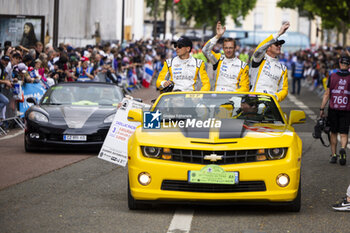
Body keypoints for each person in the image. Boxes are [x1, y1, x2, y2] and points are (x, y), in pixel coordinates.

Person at [202, 21, 249, 92]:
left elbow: (245, 88)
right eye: (226, 48)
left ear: (235, 48)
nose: (228, 50)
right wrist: (218, 36)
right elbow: (205, 50)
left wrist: (232, 96)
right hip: (217, 97)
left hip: (232, 98)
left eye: (230, 48)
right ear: (223, 49)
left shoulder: (243, 66)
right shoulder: (218, 59)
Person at [320, 56, 350, 165]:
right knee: (344, 133)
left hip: (333, 108)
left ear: (339, 63)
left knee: (333, 132)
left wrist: (322, 108)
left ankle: (333, 155)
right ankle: (343, 148)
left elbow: (327, 93)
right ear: (349, 65)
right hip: (346, 109)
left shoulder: (332, 76)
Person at [249, 21, 290, 102]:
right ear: (268, 47)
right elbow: (260, 48)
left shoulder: (283, 68)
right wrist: (278, 33)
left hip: (270, 103)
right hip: (254, 101)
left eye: (280, 44)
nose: (279, 46)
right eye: (276, 44)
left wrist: (275, 98)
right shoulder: (259, 59)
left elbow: (284, 90)